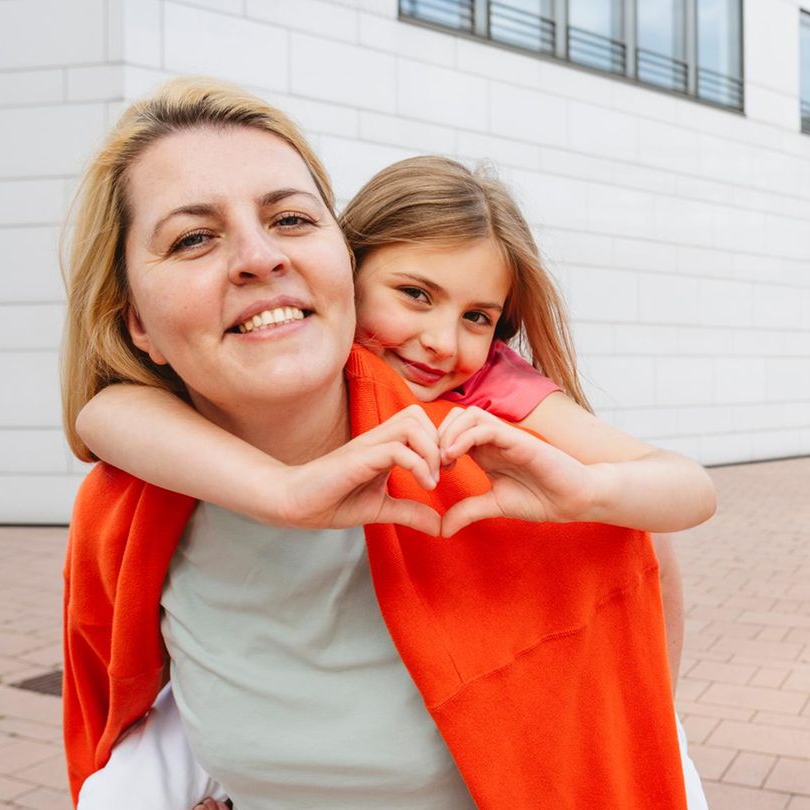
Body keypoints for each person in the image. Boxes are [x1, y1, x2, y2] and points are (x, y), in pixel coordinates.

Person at [61, 77, 694, 810]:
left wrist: (591, 493)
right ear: (134, 319)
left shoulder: (493, 434)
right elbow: (98, 415)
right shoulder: (134, 494)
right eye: (193, 237)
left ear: (336, 258)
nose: (259, 258)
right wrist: (284, 494)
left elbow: (651, 557)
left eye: (292, 219)